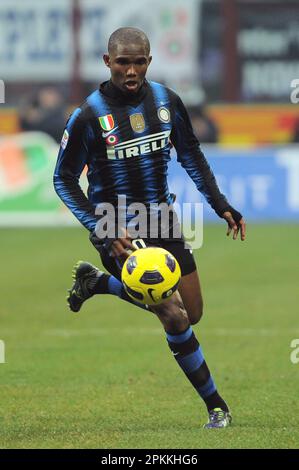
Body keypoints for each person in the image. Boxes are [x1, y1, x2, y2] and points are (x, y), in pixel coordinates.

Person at [53, 27, 246, 429]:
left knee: (193, 313)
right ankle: (216, 407)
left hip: (161, 217)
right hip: (115, 224)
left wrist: (220, 204)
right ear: (108, 62)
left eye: (139, 61)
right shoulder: (88, 115)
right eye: (123, 61)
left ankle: (99, 284)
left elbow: (190, 154)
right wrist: (99, 226)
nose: (131, 70)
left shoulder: (166, 101)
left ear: (149, 61)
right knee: (172, 314)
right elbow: (63, 178)